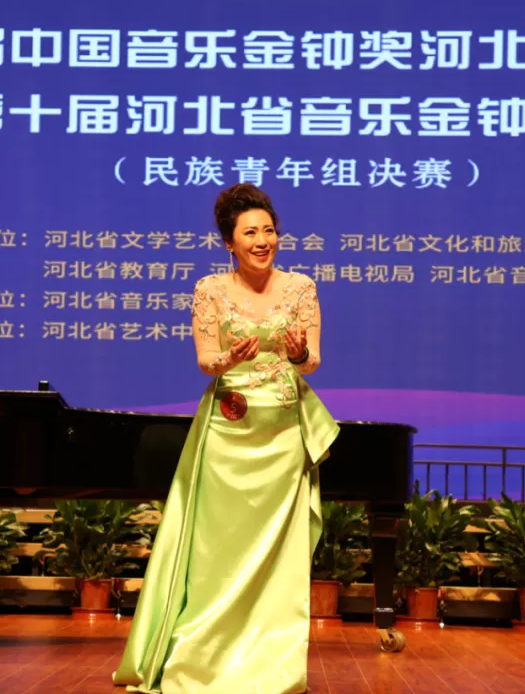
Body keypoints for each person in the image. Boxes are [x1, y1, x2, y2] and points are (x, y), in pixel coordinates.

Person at [113, 184, 340, 694]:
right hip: (228, 431)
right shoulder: (210, 289)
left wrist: (298, 354)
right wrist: (229, 359)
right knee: (218, 550)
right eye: (250, 233)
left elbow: (312, 361)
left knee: (277, 559)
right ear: (229, 243)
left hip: (283, 434)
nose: (263, 241)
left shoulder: (301, 287)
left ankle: (271, 666)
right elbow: (205, 362)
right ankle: (201, 660)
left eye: (269, 231)